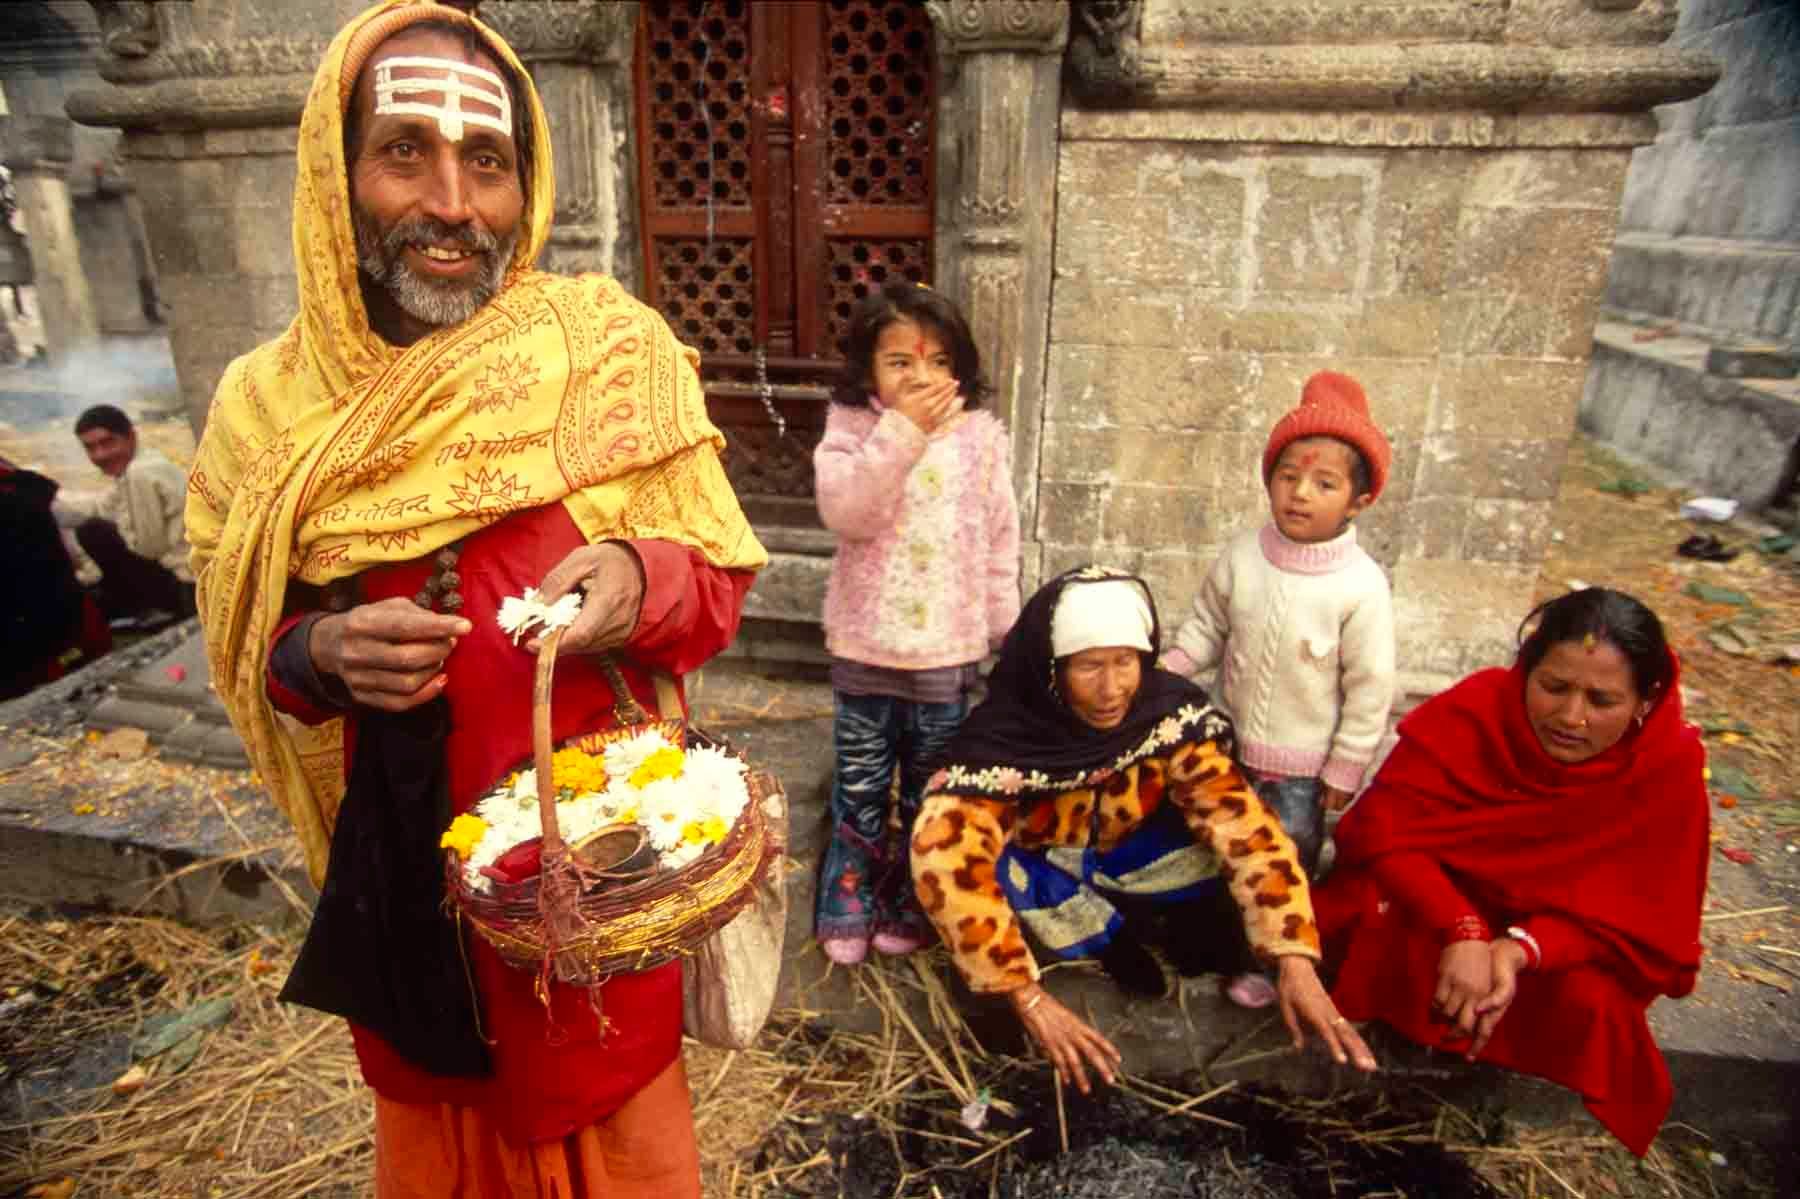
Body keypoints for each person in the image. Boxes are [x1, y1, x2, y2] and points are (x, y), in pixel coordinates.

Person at [184, 3, 766, 1196]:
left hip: (599, 873)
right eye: (406, 151)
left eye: (486, 163)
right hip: (402, 880)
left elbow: (715, 584)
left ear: (527, 183)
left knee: (621, 1143)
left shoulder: (607, 348)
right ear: (332, 174)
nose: (453, 202)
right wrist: (325, 651)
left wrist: (639, 579)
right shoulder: (265, 407)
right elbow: (252, 643)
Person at [909, 565, 1377, 1094]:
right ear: (1050, 669)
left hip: (1130, 857)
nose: (1112, 690)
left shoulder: (1166, 717)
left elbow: (1245, 829)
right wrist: (1026, 997)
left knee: (1231, 860)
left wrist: (1293, 958)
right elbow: (941, 855)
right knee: (985, 871)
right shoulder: (1002, 742)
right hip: (1048, 867)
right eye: (1089, 667)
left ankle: (1137, 921)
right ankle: (1104, 933)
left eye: (1125, 662)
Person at [1314, 588, 1708, 1156]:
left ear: (1646, 700)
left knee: (1595, 1000)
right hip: (1437, 904)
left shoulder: (1665, 767)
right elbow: (1381, 833)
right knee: (1369, 905)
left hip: (1551, 937)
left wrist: (1518, 950)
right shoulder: (1473, 713)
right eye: (1553, 687)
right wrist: (1464, 930)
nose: (1571, 717)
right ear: (1526, 668)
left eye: (1602, 701)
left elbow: (1639, 913)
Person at [1160, 370, 1395, 1010]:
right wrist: (1168, 673)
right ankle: (1212, 947)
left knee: (1282, 865)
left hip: (1302, 770)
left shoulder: (1360, 586)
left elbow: (1370, 685)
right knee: (1216, 849)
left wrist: (1346, 764)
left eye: (1324, 483)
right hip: (1228, 748)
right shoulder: (1243, 555)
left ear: (1358, 501)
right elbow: (1208, 625)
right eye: (1288, 476)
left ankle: (1269, 962)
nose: (1300, 494)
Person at [812, 281, 1020, 965]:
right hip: (867, 647)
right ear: (868, 370)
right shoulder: (851, 432)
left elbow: (999, 541)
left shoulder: (983, 441)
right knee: (863, 779)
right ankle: (850, 884)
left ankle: (910, 885)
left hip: (946, 653)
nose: (919, 376)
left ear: (958, 365)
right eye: (899, 362)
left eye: (935, 361)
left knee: (933, 780)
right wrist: (900, 431)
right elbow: (849, 512)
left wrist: (1003, 633)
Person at [52, 403, 195, 628]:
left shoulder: (140, 473)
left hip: (185, 581)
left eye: (108, 443)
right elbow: (103, 505)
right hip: (183, 574)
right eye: (90, 448)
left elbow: (150, 548)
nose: (100, 455)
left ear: (130, 436)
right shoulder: (140, 464)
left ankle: (153, 610)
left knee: (93, 533)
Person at [0, 454, 109, 698]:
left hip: (22, 644)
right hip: (69, 618)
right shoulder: (27, 486)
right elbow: (74, 529)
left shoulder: (22, 488)